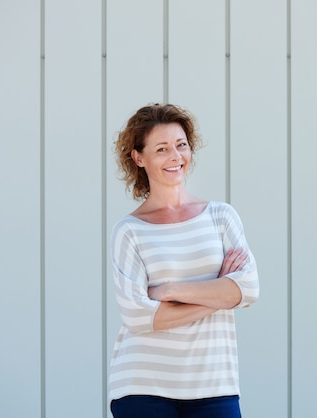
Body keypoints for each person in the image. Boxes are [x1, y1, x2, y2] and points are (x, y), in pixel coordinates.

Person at [109, 103, 259, 418]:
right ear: (139, 158)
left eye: (181, 145)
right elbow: (138, 316)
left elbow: (248, 288)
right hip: (143, 385)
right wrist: (220, 296)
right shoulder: (130, 231)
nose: (176, 156)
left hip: (214, 384)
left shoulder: (221, 217)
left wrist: (170, 290)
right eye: (161, 149)